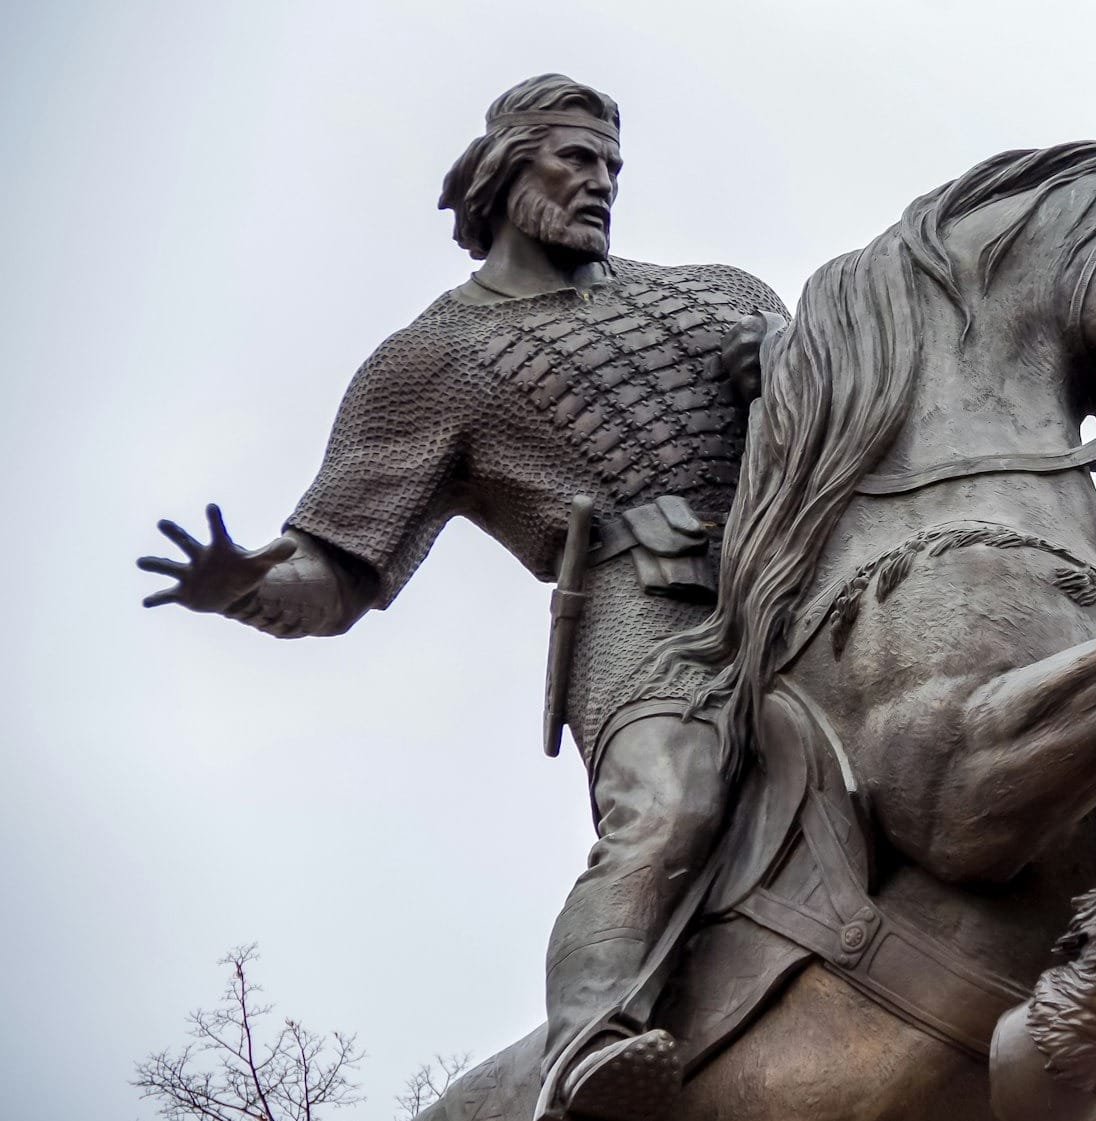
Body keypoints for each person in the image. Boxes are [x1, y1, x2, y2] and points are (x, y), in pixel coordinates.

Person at [137, 73, 784, 1121]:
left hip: (790, 572)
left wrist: (799, 365)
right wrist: (247, 587)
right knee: (669, 802)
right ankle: (589, 1047)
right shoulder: (433, 361)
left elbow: (849, 402)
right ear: (501, 170)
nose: (600, 184)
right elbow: (337, 570)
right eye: (574, 160)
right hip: (641, 604)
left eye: (612, 166)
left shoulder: (719, 292)